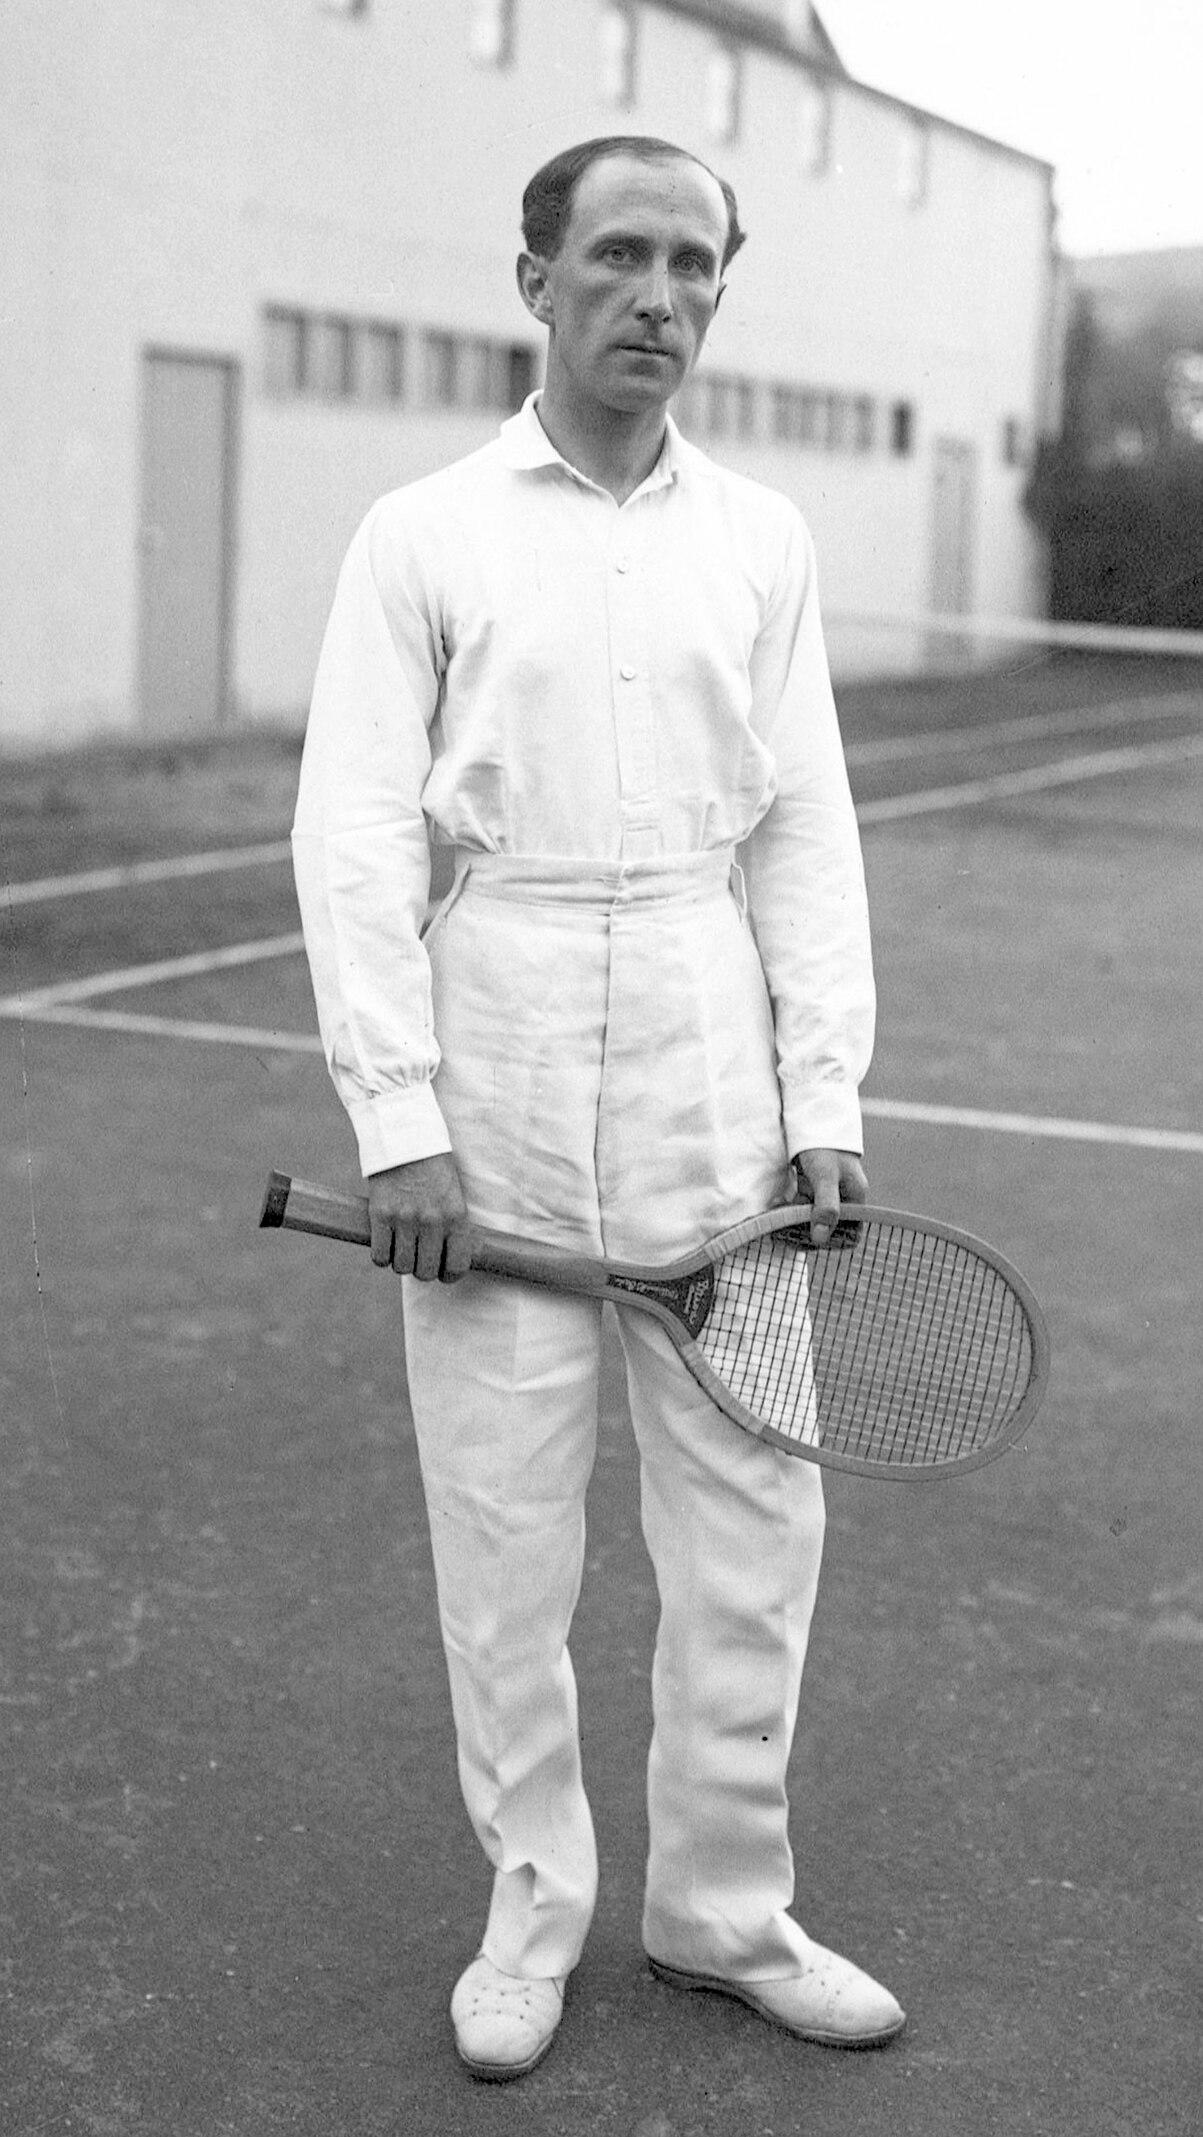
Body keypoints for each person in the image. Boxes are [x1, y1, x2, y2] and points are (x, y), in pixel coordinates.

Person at [291, 134, 902, 2083]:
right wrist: (398, 1116)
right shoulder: (421, 534)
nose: (659, 295)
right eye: (619, 257)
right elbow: (354, 834)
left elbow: (800, 827)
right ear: (534, 277)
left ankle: (723, 1910)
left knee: (753, 1525)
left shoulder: (761, 542)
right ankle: (530, 1911)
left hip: (718, 1075)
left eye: (693, 264)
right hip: (503, 1058)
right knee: (505, 1535)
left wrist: (824, 1093)